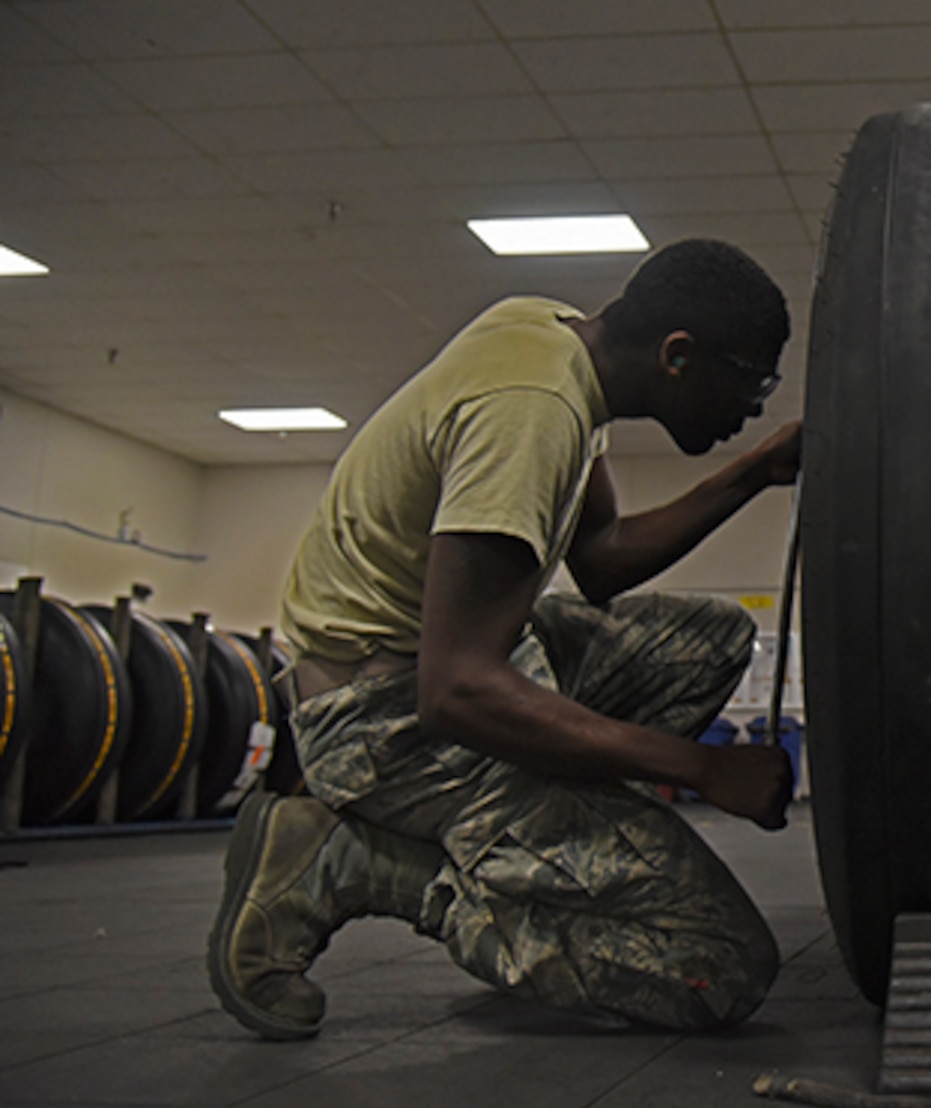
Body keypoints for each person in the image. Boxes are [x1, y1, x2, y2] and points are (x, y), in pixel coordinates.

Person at [208, 238, 801, 1040]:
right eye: (751, 384)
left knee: (709, 637)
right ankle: (356, 866)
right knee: (719, 965)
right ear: (678, 356)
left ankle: (550, 833)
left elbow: (602, 559)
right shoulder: (532, 410)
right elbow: (456, 691)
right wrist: (702, 769)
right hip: (380, 719)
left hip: (449, 665)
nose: (755, 408)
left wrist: (753, 471)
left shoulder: (547, 335)